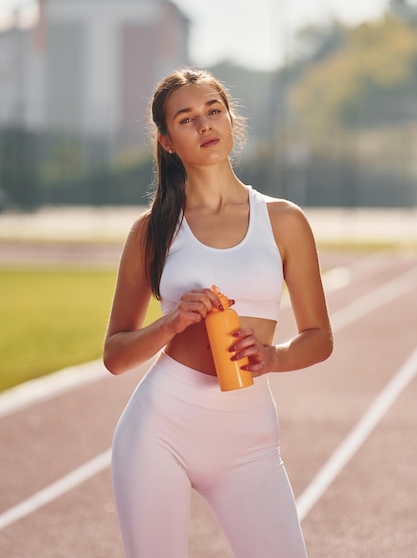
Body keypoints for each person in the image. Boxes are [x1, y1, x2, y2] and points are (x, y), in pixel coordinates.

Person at [104, 67, 333, 558]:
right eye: (186, 119)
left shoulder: (284, 220)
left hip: (249, 439)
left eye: (213, 111)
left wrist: (273, 357)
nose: (205, 124)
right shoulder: (152, 231)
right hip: (160, 429)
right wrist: (169, 323)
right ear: (167, 141)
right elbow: (115, 356)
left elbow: (319, 337)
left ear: (231, 121)